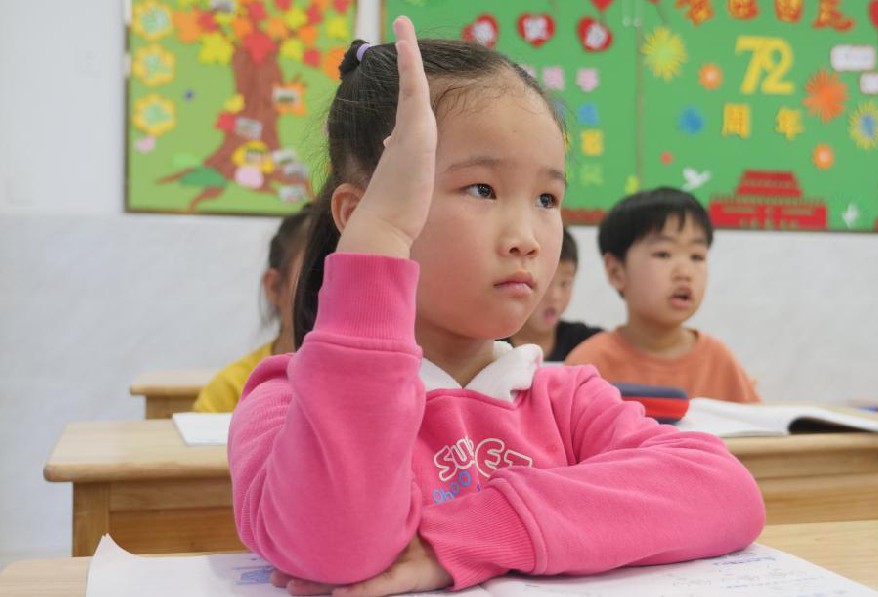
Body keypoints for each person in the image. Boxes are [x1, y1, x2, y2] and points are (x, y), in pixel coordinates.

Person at [228, 17, 764, 597]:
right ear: (356, 213)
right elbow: (337, 549)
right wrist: (378, 240)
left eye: (547, 198)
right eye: (482, 189)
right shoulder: (283, 403)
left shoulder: (561, 398)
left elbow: (726, 491)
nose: (528, 237)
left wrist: (469, 534)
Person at [565, 188, 761, 403]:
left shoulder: (720, 361)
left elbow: (759, 432)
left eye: (697, 256)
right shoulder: (589, 363)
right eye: (664, 254)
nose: (685, 272)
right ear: (616, 271)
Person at [191, 204, 312, 413]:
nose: (334, 293)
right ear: (275, 288)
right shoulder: (230, 392)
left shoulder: (370, 387)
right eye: (316, 276)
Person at [506, 227, 602, 361]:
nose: (555, 296)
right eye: (546, 282)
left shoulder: (588, 343)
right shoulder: (491, 345)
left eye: (565, 283)